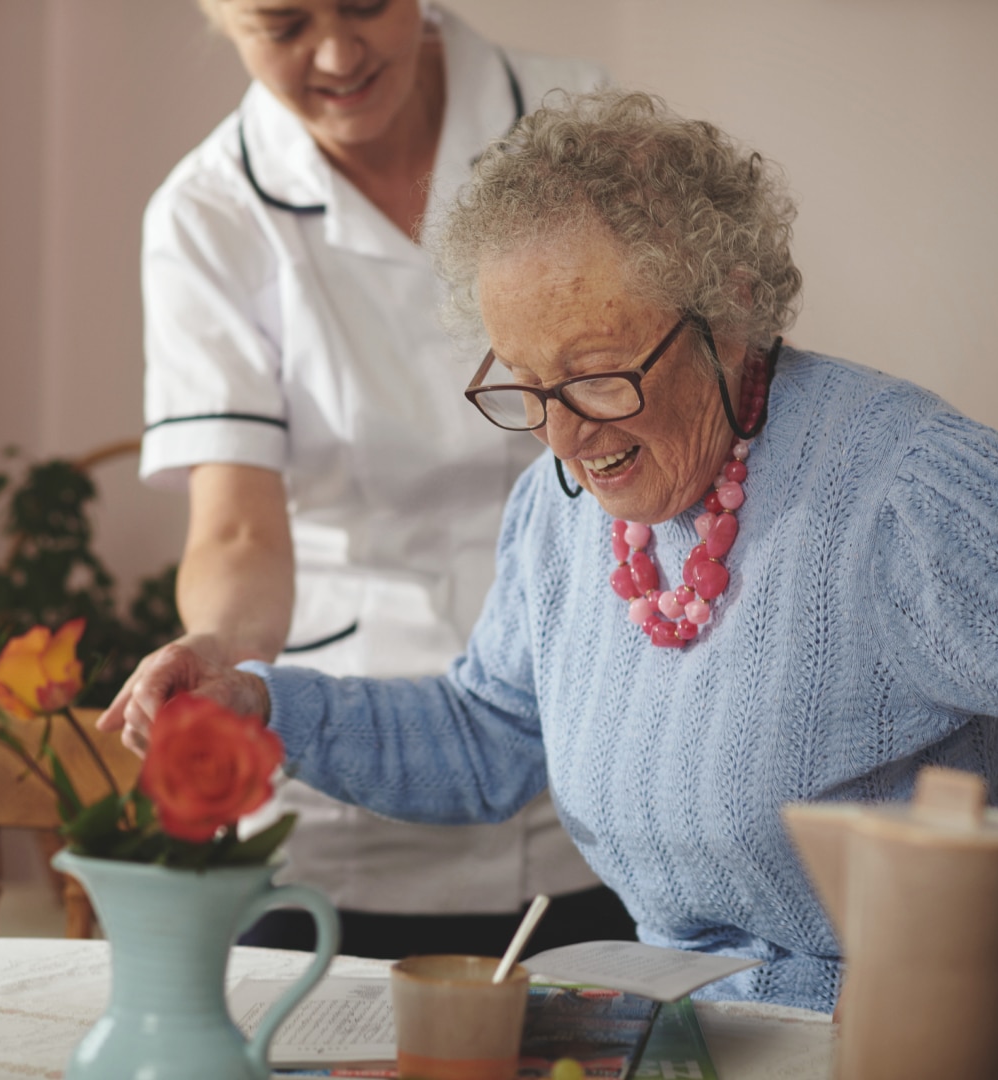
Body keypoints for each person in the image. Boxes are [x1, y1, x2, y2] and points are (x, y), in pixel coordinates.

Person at [104, 88, 998, 1011]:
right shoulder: (560, 509)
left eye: (595, 377)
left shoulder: (907, 493)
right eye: (527, 387)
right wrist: (257, 701)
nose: (565, 437)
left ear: (730, 311)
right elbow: (489, 736)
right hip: (686, 1031)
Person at [101, 0, 636, 957]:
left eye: (366, 6)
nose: (340, 53)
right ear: (220, 20)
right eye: (285, 24)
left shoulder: (577, 121)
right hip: (345, 776)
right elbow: (237, 530)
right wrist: (219, 655)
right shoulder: (209, 213)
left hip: (586, 741)